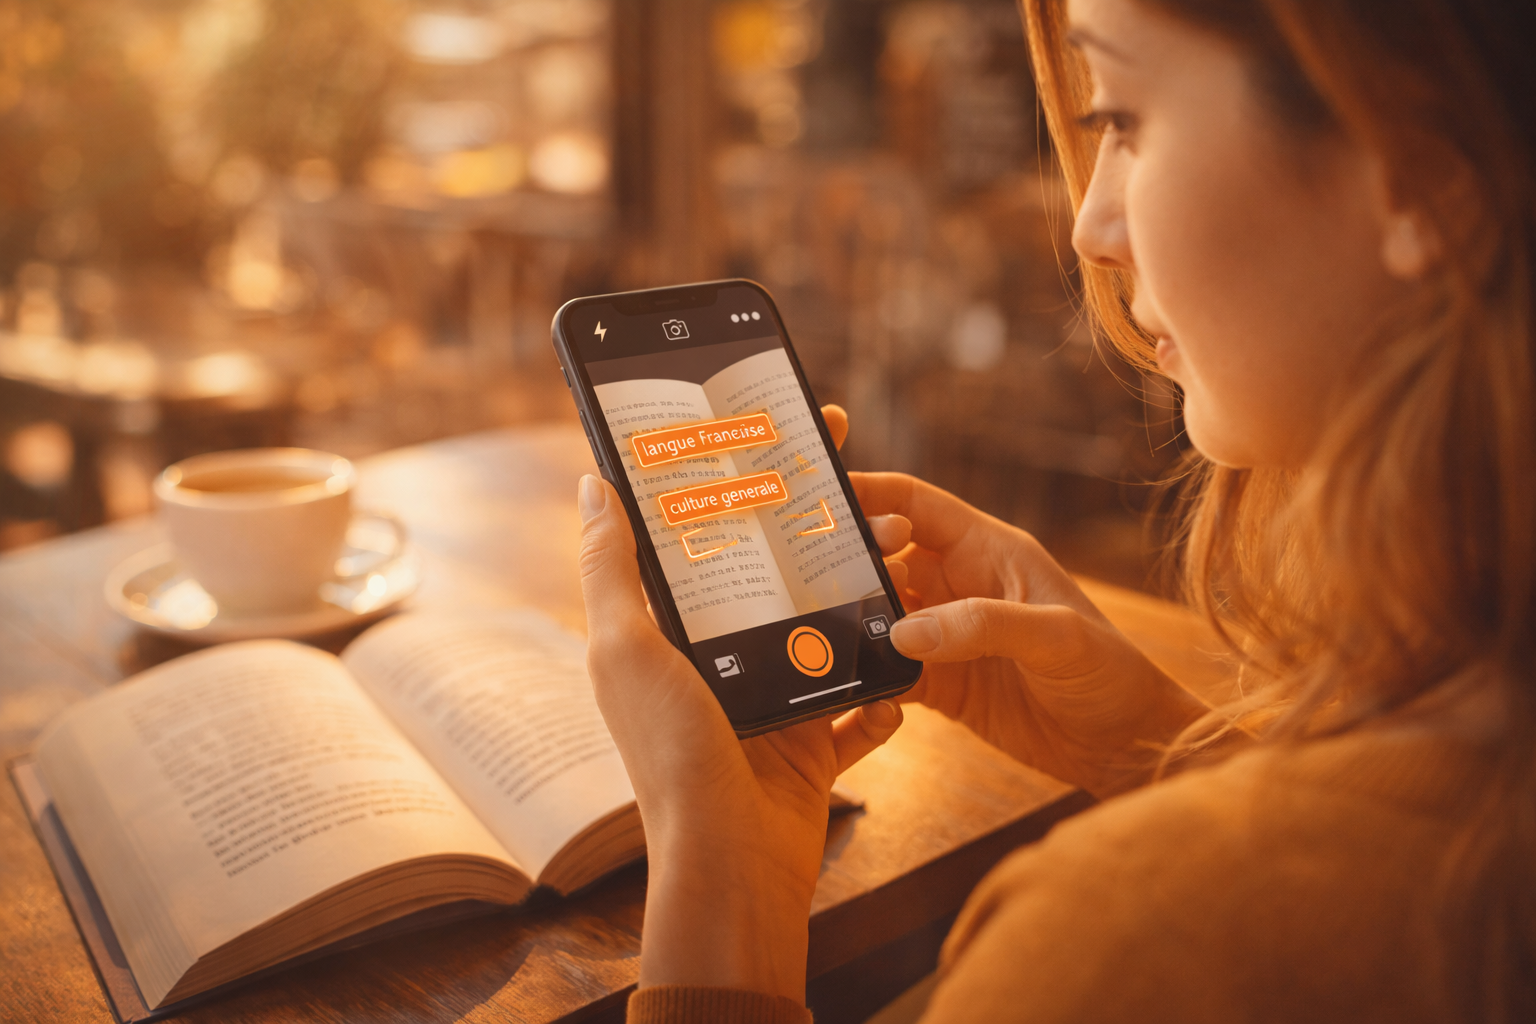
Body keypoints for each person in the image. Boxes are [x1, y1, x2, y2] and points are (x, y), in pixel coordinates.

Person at [574, 0, 1536, 1019]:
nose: (1092, 226)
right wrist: (1167, 749)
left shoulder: (1118, 944)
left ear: (1425, 174)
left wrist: (727, 900)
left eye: (1122, 116)